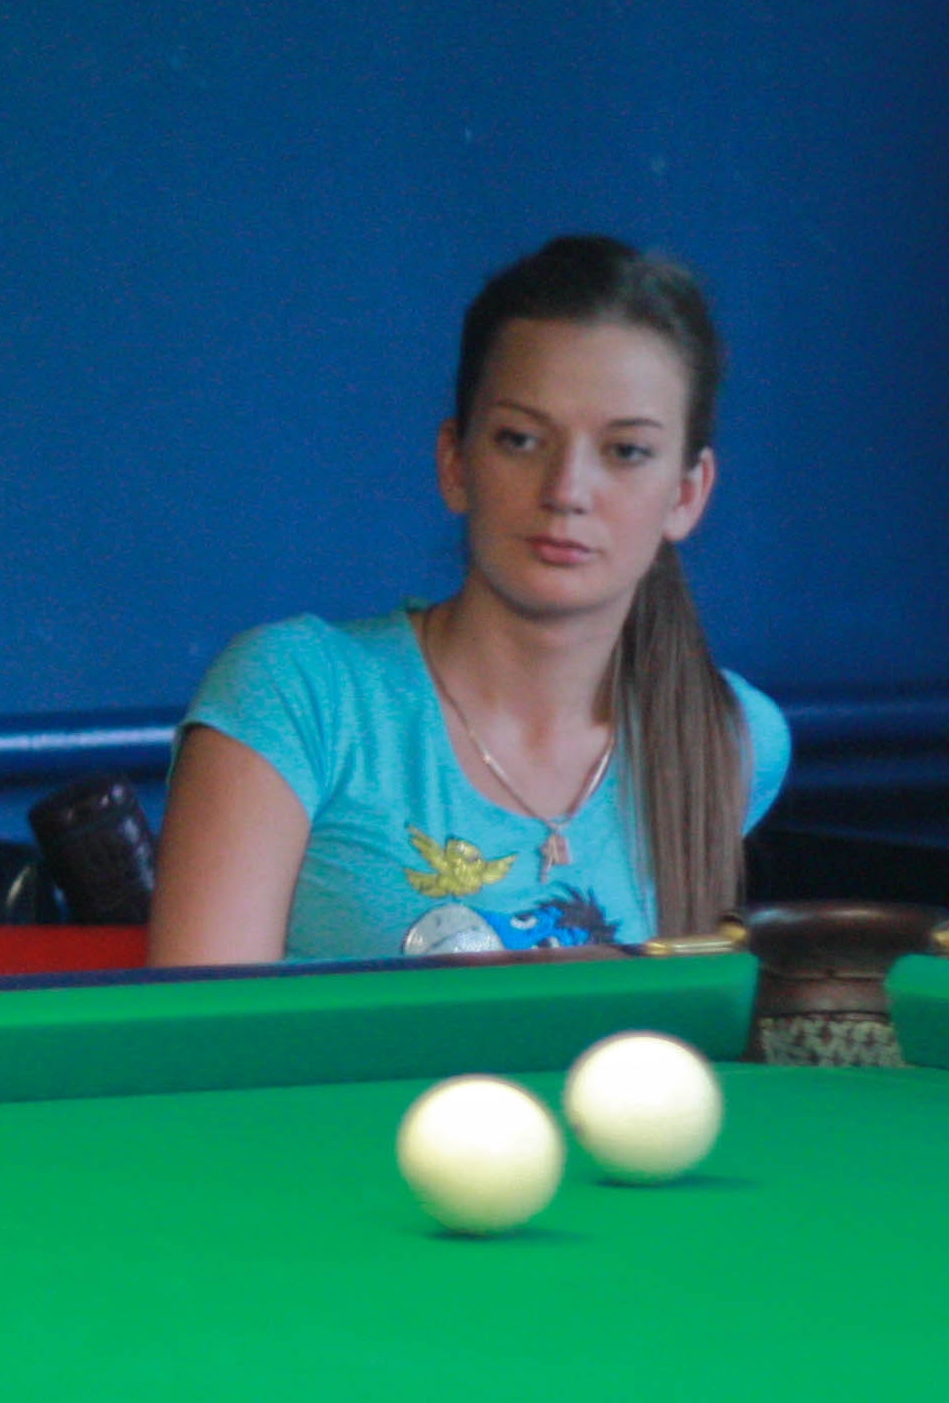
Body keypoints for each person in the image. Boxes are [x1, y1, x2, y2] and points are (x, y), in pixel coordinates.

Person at [147, 234, 789, 964]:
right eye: (520, 439)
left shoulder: (733, 738)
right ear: (455, 462)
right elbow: (205, 1026)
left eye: (625, 451)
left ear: (686, 494)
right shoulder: (296, 693)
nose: (566, 491)